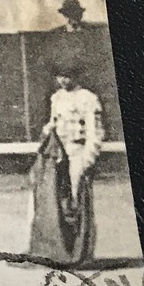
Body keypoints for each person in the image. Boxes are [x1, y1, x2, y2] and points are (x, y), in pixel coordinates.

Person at [29, 63, 103, 265]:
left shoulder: (88, 98)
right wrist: (47, 131)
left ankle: (79, 253)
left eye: (67, 76)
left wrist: (88, 158)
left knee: (76, 200)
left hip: (78, 152)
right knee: (56, 199)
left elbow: (94, 132)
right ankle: (60, 250)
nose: (62, 80)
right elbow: (54, 123)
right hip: (58, 155)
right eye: (59, 76)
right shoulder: (57, 97)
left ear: (75, 76)